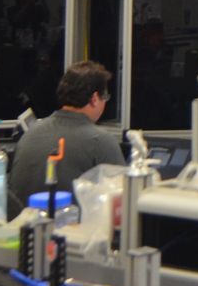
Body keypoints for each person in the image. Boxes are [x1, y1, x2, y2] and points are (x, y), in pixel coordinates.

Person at [7, 60, 125, 217]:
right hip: (72, 234)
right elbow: (123, 200)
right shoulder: (101, 141)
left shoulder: (30, 133)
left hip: (23, 232)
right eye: (106, 97)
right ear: (95, 98)